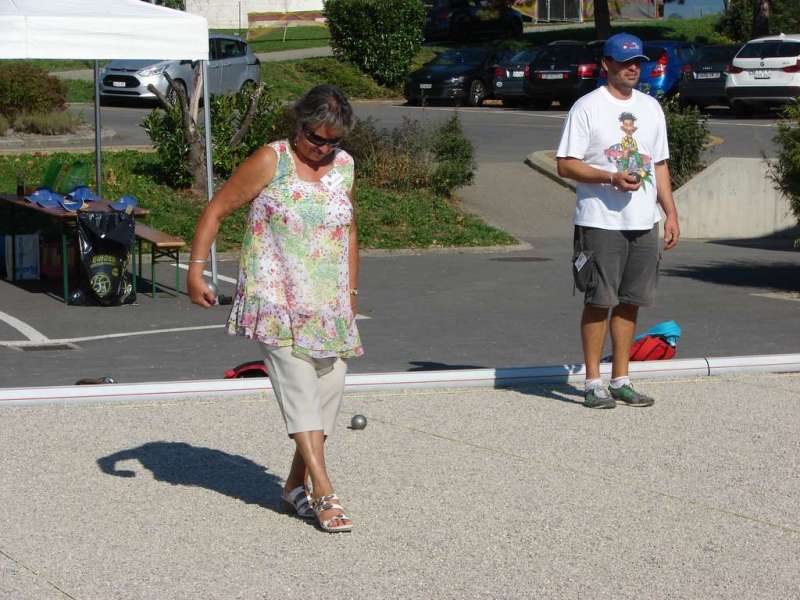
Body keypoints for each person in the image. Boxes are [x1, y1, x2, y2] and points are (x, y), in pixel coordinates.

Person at [187, 85, 362, 531]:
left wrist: (351, 296)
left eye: (331, 141)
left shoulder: (344, 167)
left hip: (327, 303)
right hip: (276, 297)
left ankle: (292, 486)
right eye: (314, 137)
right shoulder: (273, 159)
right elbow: (216, 210)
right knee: (299, 387)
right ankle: (323, 490)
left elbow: (349, 229)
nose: (322, 148)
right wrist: (196, 270)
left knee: (330, 389)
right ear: (298, 124)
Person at [555, 33, 680, 409]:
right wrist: (609, 177)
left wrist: (670, 211)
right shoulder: (588, 107)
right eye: (625, 62)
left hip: (644, 220)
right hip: (600, 221)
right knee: (599, 300)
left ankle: (622, 378)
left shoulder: (651, 107)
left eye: (638, 62)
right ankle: (593, 382)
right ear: (606, 64)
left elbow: (658, 164)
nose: (632, 68)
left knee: (631, 302)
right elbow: (565, 164)